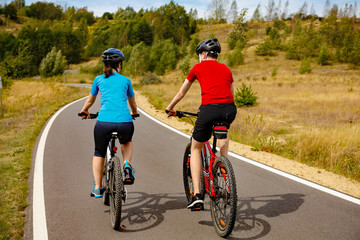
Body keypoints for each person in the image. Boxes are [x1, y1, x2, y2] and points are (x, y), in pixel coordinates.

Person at [166, 38, 237, 209]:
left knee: (195, 147)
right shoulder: (226, 69)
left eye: (199, 55)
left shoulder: (198, 67)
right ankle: (224, 170)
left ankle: (197, 194)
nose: (199, 58)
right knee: (223, 133)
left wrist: (171, 107)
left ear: (204, 54)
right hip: (229, 110)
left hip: (208, 109)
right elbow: (232, 93)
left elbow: (182, 92)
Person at [80, 48, 139, 198]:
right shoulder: (126, 80)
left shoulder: (98, 79)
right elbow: (132, 102)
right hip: (125, 122)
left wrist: (84, 111)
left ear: (105, 64)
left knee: (99, 152)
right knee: (126, 142)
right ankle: (126, 165)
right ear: (119, 64)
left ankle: (98, 187)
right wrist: (134, 113)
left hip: (103, 123)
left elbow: (90, 100)